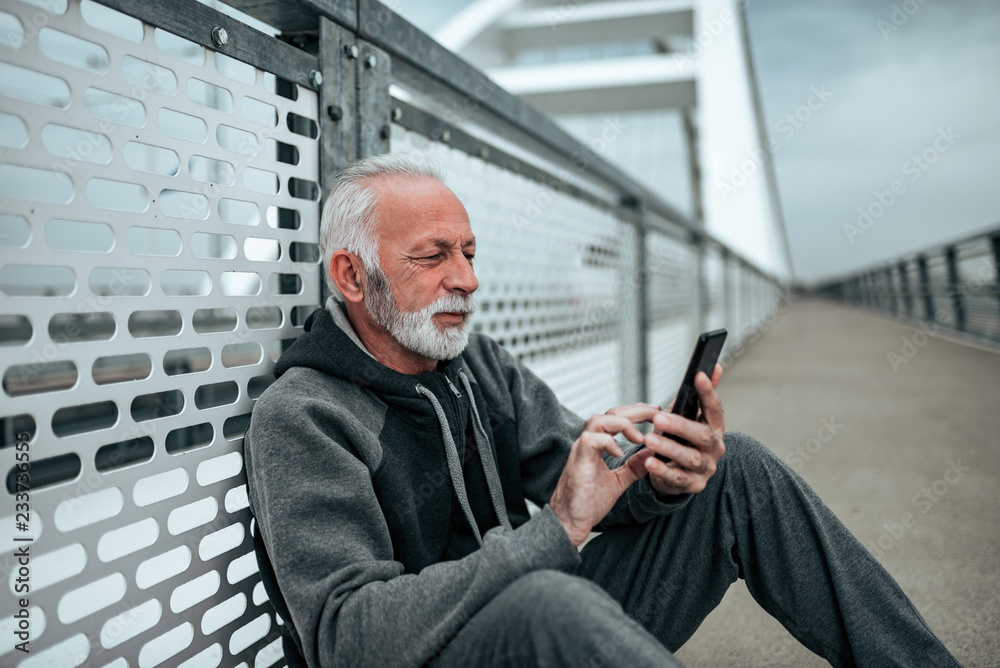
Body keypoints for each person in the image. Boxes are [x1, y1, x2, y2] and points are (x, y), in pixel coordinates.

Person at [243, 153, 960, 668]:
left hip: (541, 616)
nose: (467, 279)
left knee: (737, 471)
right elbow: (346, 639)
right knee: (549, 600)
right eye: (433, 257)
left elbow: (594, 490)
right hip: (454, 645)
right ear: (351, 274)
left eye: (468, 251)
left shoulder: (475, 365)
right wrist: (554, 530)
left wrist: (661, 479)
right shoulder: (304, 416)